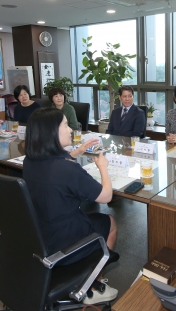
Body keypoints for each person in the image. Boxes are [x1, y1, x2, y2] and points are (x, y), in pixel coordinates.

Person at [23, 108, 118, 305]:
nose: (70, 130)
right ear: (51, 133)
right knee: (110, 221)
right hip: (65, 239)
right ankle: (92, 286)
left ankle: (90, 281)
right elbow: (106, 196)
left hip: (38, 234)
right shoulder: (67, 170)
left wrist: (79, 151)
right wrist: (103, 167)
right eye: (65, 125)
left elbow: (57, 165)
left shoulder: (30, 160)